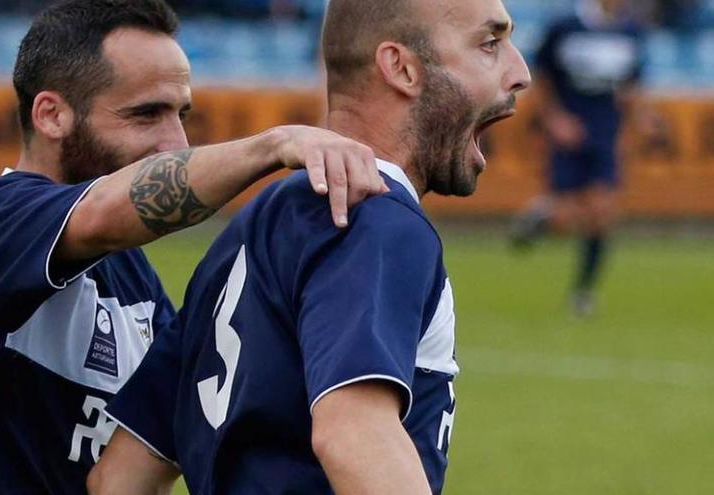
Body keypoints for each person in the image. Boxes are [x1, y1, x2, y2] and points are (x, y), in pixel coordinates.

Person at [0, 0, 388, 493]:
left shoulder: (135, 282)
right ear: (51, 115)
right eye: (146, 114)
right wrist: (273, 145)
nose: (174, 141)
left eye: (181, 114)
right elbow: (108, 211)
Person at [90, 0, 530, 493]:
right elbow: (352, 436)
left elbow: (118, 477)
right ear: (402, 68)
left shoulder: (243, 235)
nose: (521, 72)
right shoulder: (375, 219)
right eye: (490, 44)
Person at [510, 0, 648, 316]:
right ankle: (541, 218)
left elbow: (632, 86)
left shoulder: (631, 31)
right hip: (569, 131)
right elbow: (541, 78)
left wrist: (630, 127)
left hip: (605, 131)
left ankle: (583, 292)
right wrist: (555, 119)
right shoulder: (565, 27)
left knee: (602, 211)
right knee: (565, 218)